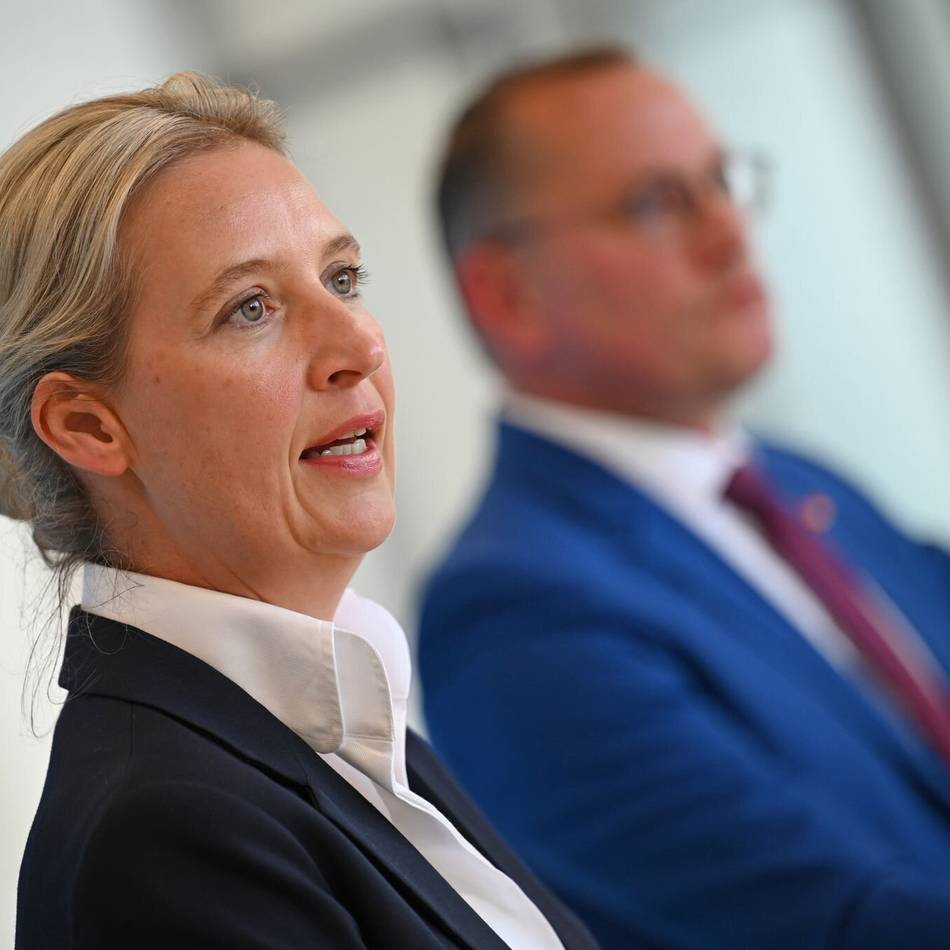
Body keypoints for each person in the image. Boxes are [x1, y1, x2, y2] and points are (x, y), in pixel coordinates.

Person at [3, 73, 598, 950]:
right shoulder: (162, 835)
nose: (361, 343)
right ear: (89, 426)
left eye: (342, 277)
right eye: (250, 308)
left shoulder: (336, 728)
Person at [418, 46, 950, 949]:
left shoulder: (808, 487)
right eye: (657, 203)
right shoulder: (512, 614)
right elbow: (840, 927)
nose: (730, 233)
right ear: (508, 296)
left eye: (721, 182)